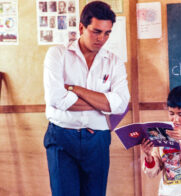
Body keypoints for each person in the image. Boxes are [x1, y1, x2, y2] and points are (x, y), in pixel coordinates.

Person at [43, 1, 130, 196]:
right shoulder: (57, 55)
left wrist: (76, 89)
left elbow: (121, 104)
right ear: (81, 27)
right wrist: (102, 103)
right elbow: (57, 100)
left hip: (97, 140)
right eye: (96, 31)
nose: (102, 38)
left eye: (107, 33)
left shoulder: (114, 62)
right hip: (62, 137)